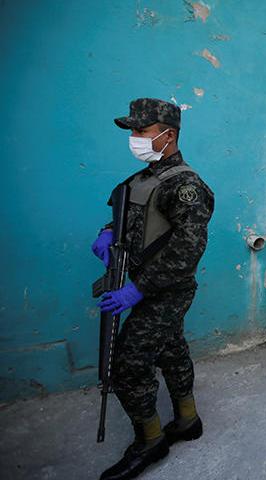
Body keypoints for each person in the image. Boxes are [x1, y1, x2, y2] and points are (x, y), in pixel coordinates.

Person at [91, 98, 214, 479]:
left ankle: (150, 442)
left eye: (141, 132)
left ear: (168, 135)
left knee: (127, 363)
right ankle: (187, 420)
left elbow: (187, 251)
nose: (134, 138)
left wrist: (137, 290)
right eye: (133, 131)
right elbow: (122, 214)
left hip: (167, 289)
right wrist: (107, 232)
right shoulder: (140, 179)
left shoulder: (186, 185)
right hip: (144, 283)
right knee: (172, 349)